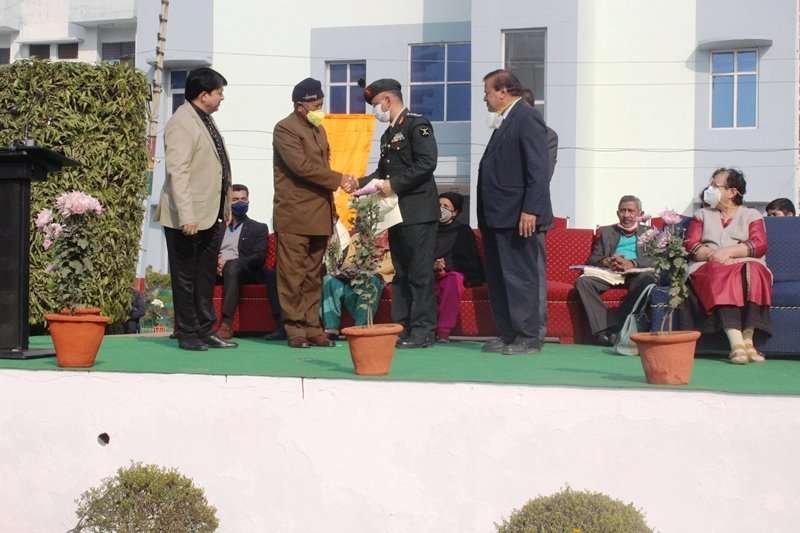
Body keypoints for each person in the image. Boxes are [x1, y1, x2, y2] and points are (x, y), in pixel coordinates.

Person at [155, 67, 237, 351]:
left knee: (205, 276)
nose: (221, 97)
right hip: (187, 217)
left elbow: (217, 167)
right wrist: (186, 216)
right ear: (204, 95)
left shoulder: (205, 120)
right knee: (186, 277)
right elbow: (178, 172)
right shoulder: (182, 123)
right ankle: (187, 332)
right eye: (219, 92)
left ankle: (205, 329)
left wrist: (225, 206)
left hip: (210, 214)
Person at [273, 77, 357, 349]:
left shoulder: (319, 129)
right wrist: (339, 179)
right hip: (295, 214)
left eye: (321, 103)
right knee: (292, 275)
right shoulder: (285, 129)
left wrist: (332, 209)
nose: (319, 109)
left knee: (313, 275)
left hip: (320, 213)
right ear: (299, 105)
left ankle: (312, 327)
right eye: (315, 105)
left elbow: (320, 169)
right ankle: (295, 328)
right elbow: (301, 167)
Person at [358, 78, 439, 348]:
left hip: (418, 212)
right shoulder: (388, 135)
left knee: (419, 273)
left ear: (387, 100)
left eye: (375, 104)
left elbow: (427, 163)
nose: (375, 110)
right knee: (401, 272)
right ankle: (402, 327)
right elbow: (382, 173)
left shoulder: (417, 125)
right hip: (395, 213)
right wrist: (357, 182)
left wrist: (394, 184)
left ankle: (423, 330)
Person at [477, 69, 552, 356]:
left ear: (503, 92)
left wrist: (530, 208)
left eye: (487, 92)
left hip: (517, 216)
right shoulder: (505, 119)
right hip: (497, 216)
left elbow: (538, 168)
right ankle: (508, 333)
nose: (485, 98)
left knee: (520, 278)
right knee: (499, 278)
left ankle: (527, 337)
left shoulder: (526, 117)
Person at [685, 168, 772, 364]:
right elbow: (691, 244)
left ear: (732, 192)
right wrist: (713, 255)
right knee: (719, 271)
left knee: (755, 271)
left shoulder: (751, 215)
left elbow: (759, 244)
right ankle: (736, 343)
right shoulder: (701, 215)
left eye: (715, 186)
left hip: (744, 261)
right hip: (709, 264)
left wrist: (730, 252)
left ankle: (748, 341)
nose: (709, 189)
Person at [574, 195, 657, 346]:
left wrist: (632, 263)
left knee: (648, 278)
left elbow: (656, 259)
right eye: (622, 211)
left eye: (631, 211)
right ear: (617, 213)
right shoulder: (606, 232)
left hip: (637, 273)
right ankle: (605, 329)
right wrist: (606, 261)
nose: (626, 215)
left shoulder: (650, 232)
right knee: (583, 282)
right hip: (611, 272)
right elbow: (593, 259)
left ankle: (616, 325)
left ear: (640, 213)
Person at [520, 87, 558, 343]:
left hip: (532, 215)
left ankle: (535, 330)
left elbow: (542, 176)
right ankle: (514, 330)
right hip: (505, 217)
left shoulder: (547, 135)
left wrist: (528, 209)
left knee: (533, 274)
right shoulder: (502, 131)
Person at [214, 184, 270, 340]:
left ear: (248, 201)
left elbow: (259, 256)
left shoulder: (258, 228)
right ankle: (188, 325)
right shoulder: (217, 228)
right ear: (228, 202)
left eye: (243, 199)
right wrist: (215, 262)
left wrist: (231, 263)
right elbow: (206, 250)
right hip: (216, 270)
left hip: (244, 271)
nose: (240, 202)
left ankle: (226, 323)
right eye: (235, 199)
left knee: (233, 266)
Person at [321, 226, 394, 338]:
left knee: (370, 279)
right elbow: (348, 262)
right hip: (354, 279)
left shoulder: (392, 238)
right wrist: (351, 270)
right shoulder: (357, 238)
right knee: (329, 280)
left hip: (377, 277)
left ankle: (360, 328)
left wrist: (368, 270)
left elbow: (391, 265)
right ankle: (331, 328)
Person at [434, 192, 484, 342]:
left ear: (455, 212)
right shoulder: (428, 229)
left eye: (446, 206)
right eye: (439, 205)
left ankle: (443, 331)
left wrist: (445, 266)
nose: (441, 209)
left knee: (453, 280)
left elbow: (468, 259)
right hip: (428, 271)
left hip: (452, 272)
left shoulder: (462, 231)